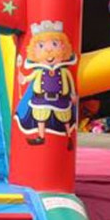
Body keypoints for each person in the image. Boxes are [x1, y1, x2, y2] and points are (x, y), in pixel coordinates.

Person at [16, 20, 77, 149]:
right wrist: (23, 78)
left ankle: (69, 136)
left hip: (60, 98)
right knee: (40, 117)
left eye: (55, 44)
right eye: (41, 46)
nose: (49, 50)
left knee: (65, 118)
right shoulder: (39, 70)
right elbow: (28, 78)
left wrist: (72, 94)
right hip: (42, 98)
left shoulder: (64, 71)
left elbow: (70, 83)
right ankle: (41, 136)